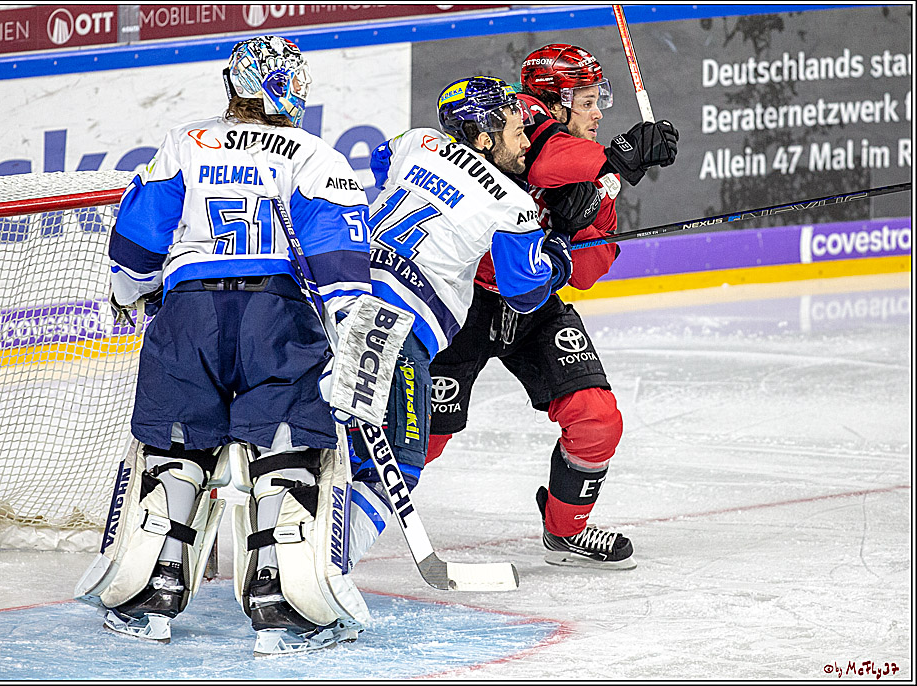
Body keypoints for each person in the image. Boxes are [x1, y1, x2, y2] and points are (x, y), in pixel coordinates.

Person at [73, 35, 374, 655]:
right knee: (283, 451)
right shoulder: (315, 155)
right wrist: (347, 327)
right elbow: (338, 258)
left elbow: (136, 238)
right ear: (287, 89)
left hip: (187, 312)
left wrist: (130, 292)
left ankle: (149, 598)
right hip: (278, 315)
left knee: (174, 449)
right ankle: (280, 608)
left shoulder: (184, 141)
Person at [424, 43, 680, 569]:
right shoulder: (514, 122)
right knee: (423, 439)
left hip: (534, 304)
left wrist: (576, 224)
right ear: (554, 103)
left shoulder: (593, 173)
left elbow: (587, 272)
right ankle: (322, 518)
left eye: (598, 100)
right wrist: (618, 157)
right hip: (461, 303)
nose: (598, 112)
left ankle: (564, 532)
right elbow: (542, 162)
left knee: (597, 419)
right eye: (587, 100)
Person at [341, 76, 577, 569]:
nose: (525, 137)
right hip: (398, 332)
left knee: (314, 437)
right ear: (485, 135)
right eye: (516, 128)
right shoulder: (512, 203)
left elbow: (383, 162)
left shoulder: (417, 142)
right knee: (397, 465)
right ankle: (323, 571)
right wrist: (558, 256)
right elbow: (525, 290)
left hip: (339, 305)